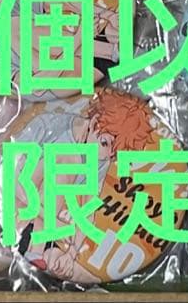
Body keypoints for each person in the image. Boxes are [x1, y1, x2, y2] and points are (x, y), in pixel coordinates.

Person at [15, 90, 157, 281]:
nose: (106, 155)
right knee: (67, 163)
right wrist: (53, 221)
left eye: (115, 155)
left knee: (57, 258)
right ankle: (35, 247)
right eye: (105, 143)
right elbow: (17, 186)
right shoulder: (53, 131)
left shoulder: (100, 157)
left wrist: (72, 253)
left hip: (39, 224)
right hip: (16, 205)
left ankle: (39, 249)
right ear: (94, 122)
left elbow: (89, 210)